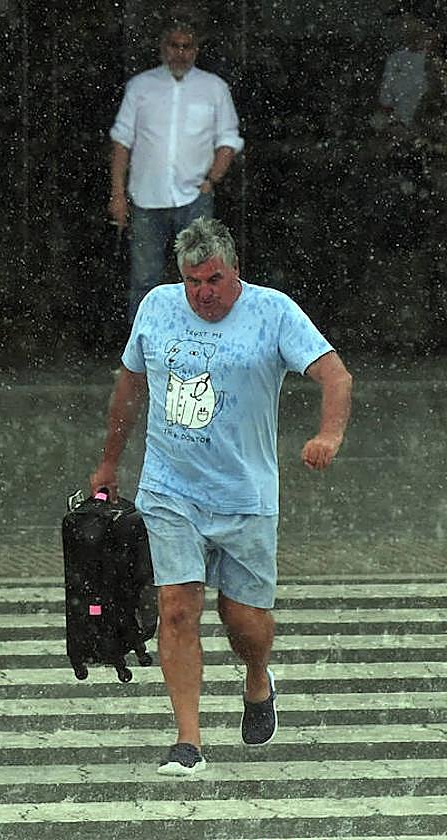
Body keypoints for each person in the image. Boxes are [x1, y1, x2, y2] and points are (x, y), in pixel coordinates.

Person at [89, 217, 352, 776]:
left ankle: (258, 677)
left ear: (235, 272)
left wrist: (328, 435)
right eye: (192, 281)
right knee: (178, 608)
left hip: (245, 495)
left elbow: (336, 376)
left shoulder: (272, 311)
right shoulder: (157, 307)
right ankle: (188, 740)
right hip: (169, 489)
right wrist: (110, 461)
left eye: (213, 279)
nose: (203, 293)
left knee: (244, 620)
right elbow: (129, 384)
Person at [108, 20, 243, 321]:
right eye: (174, 45)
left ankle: (202, 341)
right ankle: (143, 354)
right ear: (162, 48)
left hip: (195, 195)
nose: (180, 53)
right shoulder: (141, 87)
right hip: (146, 196)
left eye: (187, 46)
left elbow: (229, 139)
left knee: (204, 276)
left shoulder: (214, 88)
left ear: (196, 50)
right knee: (145, 280)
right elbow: (121, 141)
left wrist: (212, 179)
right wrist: (117, 193)